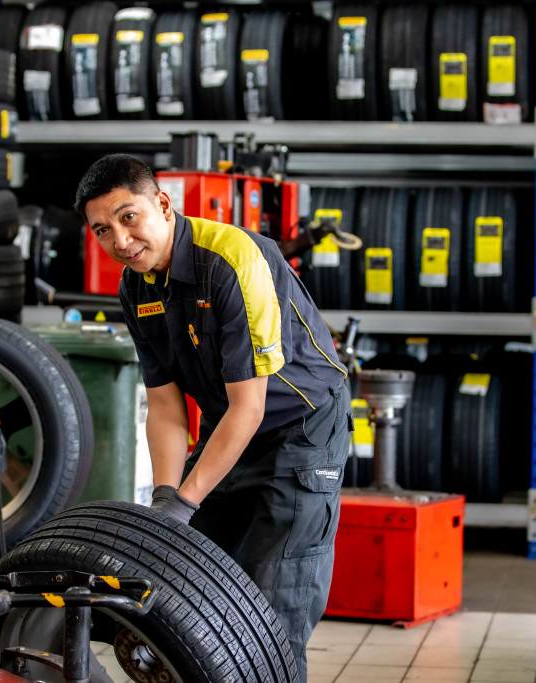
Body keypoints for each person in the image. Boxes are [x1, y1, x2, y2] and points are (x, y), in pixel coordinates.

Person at [75, 153, 352, 679]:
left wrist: (184, 503)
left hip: (301, 428)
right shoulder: (135, 287)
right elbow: (165, 404)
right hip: (231, 428)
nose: (121, 240)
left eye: (128, 217)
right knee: (189, 580)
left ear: (163, 204)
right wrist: (166, 500)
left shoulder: (230, 260)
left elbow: (252, 405)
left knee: (273, 609)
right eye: (102, 230)